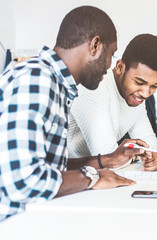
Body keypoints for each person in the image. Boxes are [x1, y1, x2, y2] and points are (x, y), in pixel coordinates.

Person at [0, 6, 147, 222]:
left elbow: (50, 166)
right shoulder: (37, 78)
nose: (109, 66)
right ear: (95, 45)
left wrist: (108, 160)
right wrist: (91, 178)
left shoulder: (55, 83)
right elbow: (24, 182)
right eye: (111, 54)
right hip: (14, 224)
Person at [67, 34, 157, 170]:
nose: (145, 93)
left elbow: (150, 144)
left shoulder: (135, 95)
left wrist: (154, 159)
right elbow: (107, 156)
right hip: (63, 177)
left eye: (154, 86)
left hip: (91, 176)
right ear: (120, 67)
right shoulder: (94, 83)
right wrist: (129, 156)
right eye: (139, 82)